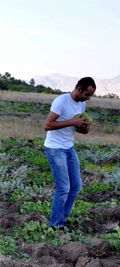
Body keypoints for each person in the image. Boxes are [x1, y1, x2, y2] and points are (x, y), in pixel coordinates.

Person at [43, 77, 95, 228]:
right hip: (55, 148)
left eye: (90, 95)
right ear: (79, 90)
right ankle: (56, 224)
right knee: (63, 187)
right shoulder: (61, 101)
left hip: (69, 148)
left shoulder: (81, 104)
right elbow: (48, 125)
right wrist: (72, 122)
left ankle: (61, 219)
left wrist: (84, 126)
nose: (88, 98)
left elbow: (81, 130)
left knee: (76, 186)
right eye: (86, 94)